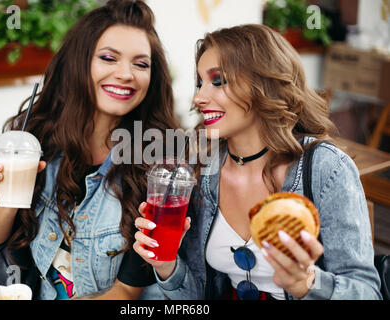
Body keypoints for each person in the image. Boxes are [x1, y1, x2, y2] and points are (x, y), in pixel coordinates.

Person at [133, 24, 382, 300]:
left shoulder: (327, 168)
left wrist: (307, 284)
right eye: (200, 83)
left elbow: (367, 292)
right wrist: (167, 266)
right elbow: (194, 297)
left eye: (218, 81)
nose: (199, 98)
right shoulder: (201, 169)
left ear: (264, 84)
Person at [0, 0, 177, 300]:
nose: (126, 74)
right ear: (79, 62)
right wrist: (10, 191)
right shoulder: (37, 137)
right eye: (109, 58)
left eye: (141, 63)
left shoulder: (155, 165)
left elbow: (126, 291)